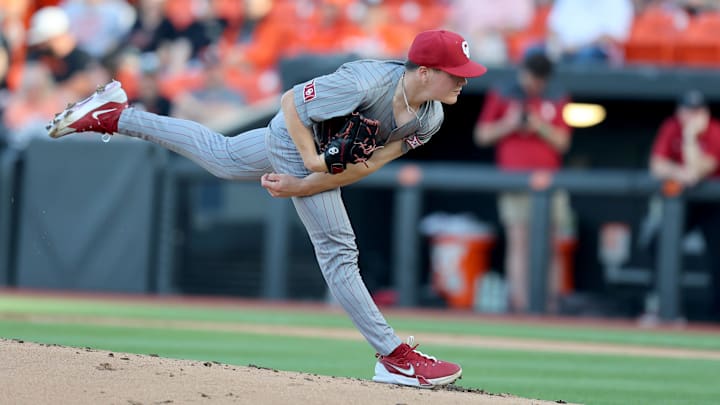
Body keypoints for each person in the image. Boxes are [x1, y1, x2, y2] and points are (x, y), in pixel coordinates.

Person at [46, 29, 487, 388]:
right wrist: (308, 165)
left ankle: (115, 115)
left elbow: (368, 164)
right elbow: (291, 104)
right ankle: (394, 358)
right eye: (456, 73)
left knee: (220, 156)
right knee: (338, 252)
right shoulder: (365, 83)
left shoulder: (430, 117)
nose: (465, 80)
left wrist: (306, 182)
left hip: (314, 159)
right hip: (292, 134)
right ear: (425, 71)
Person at [474, 51, 574, 313]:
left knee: (552, 243)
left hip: (549, 181)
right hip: (515, 181)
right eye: (532, 77)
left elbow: (563, 142)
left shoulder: (556, 95)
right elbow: (482, 135)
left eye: (540, 79)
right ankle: (520, 305)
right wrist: (510, 123)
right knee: (518, 242)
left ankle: (551, 305)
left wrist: (539, 126)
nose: (535, 84)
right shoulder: (504, 93)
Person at [648, 89, 720, 321]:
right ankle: (661, 306)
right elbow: (656, 165)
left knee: (717, 256)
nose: (690, 115)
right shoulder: (671, 127)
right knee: (658, 242)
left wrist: (690, 136)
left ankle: (714, 317)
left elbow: (699, 171)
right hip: (683, 204)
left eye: (696, 111)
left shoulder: (714, 131)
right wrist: (680, 172)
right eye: (687, 110)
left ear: (705, 113)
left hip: (713, 205)